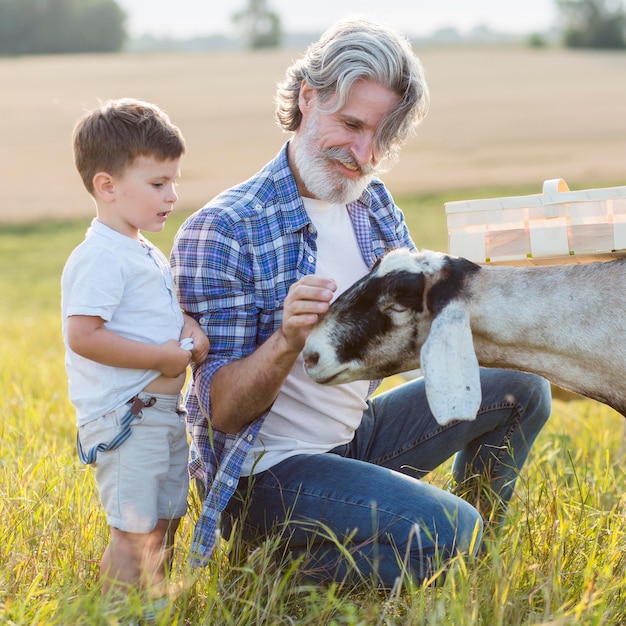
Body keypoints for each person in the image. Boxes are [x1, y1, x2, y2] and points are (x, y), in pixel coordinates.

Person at [170, 18, 551, 587]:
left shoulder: (370, 206)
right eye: (351, 124)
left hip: (354, 440)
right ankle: (268, 577)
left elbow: (416, 331)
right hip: (267, 474)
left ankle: (470, 567)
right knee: (454, 531)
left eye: (383, 137)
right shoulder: (224, 229)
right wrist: (285, 341)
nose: (364, 154)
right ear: (307, 98)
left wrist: (475, 287)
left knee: (523, 389)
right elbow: (222, 413)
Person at [61, 98, 210, 608]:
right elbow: (83, 335)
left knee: (165, 519)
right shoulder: (100, 255)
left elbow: (158, 313)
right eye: (157, 184)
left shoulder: (142, 247)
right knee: (135, 529)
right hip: (130, 417)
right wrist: (161, 358)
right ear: (107, 186)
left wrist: (187, 327)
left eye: (174, 181)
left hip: (162, 414)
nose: (172, 195)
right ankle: (117, 616)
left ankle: (152, 607)